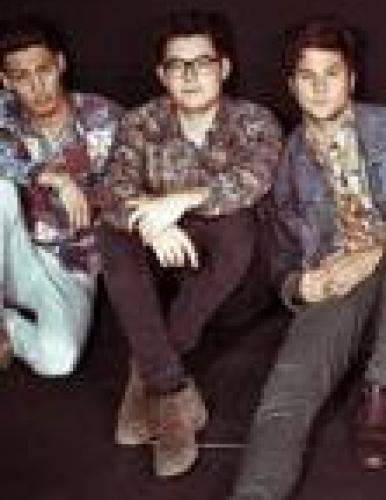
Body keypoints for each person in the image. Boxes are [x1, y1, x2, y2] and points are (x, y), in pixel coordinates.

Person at [229, 19, 386, 500]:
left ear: (351, 78)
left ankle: (381, 388)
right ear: (292, 86)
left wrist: (373, 254)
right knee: (288, 388)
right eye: (307, 76)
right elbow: (281, 262)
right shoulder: (283, 162)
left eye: (332, 73)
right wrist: (300, 286)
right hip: (341, 285)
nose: (320, 87)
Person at [99, 10, 282, 477]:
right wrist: (153, 226)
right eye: (177, 65)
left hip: (238, 285)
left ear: (224, 68)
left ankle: (145, 369)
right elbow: (113, 191)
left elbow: (253, 179)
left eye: (202, 63)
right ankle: (170, 388)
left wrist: (177, 202)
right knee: (113, 233)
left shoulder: (254, 121)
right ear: (162, 75)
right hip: (169, 280)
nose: (190, 75)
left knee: (237, 223)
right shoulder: (141, 122)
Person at [0, 17, 120, 376]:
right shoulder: (5, 113)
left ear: (60, 64)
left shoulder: (103, 118)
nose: (37, 87)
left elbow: (129, 187)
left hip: (71, 265)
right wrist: (50, 177)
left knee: (58, 360)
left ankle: (8, 329)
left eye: (44, 71)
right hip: (13, 249)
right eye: (22, 77)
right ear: (6, 81)